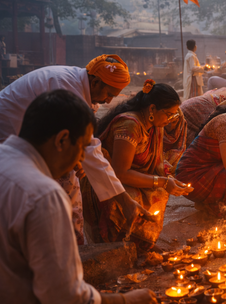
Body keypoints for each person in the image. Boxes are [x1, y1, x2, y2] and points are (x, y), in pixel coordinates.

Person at [0, 90, 157, 304]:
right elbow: (67, 302)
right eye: (82, 148)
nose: (81, 159)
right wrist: (127, 302)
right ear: (62, 139)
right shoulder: (43, 195)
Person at [0, 54, 149, 244]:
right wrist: (124, 201)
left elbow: (86, 147)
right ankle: (70, 245)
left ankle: (75, 243)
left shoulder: (81, 86)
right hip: (8, 135)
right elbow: (89, 148)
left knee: (71, 178)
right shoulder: (67, 86)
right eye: (109, 94)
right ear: (95, 82)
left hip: (32, 138)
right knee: (63, 187)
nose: (109, 101)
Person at [82, 81, 192, 251]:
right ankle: (118, 246)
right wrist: (162, 181)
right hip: (105, 182)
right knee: (134, 196)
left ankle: (143, 243)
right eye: (168, 114)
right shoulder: (130, 125)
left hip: (128, 176)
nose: (170, 120)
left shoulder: (155, 125)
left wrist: (168, 180)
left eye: (174, 115)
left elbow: (155, 166)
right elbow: (120, 173)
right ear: (152, 109)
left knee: (159, 192)